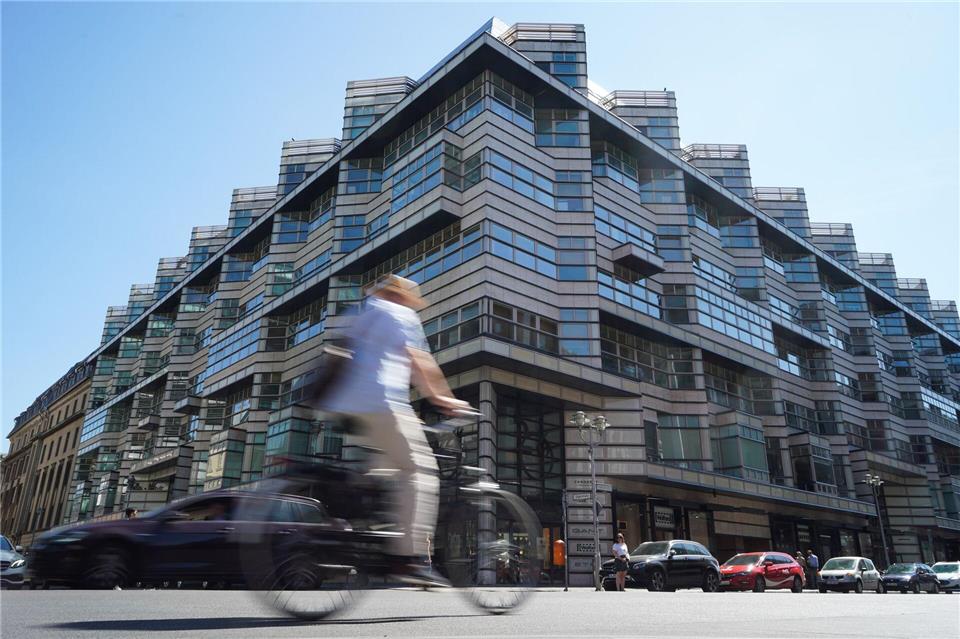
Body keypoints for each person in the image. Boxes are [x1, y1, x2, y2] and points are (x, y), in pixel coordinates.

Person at [319, 275, 469, 587]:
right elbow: (419, 361)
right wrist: (443, 399)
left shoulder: (361, 315)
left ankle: (364, 528)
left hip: (345, 407)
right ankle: (408, 558)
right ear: (403, 298)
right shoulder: (400, 314)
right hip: (380, 402)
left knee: (387, 468)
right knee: (420, 470)